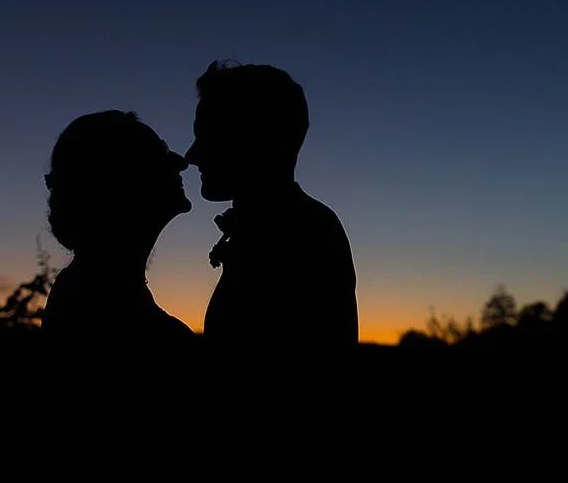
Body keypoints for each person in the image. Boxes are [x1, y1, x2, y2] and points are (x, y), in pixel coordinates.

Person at [184, 60, 359, 350]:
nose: (191, 155)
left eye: (207, 137)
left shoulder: (305, 233)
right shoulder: (287, 225)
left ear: (252, 139)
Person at [41, 110, 195, 345]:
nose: (180, 161)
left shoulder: (92, 289)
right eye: (159, 153)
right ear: (118, 179)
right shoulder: (97, 306)